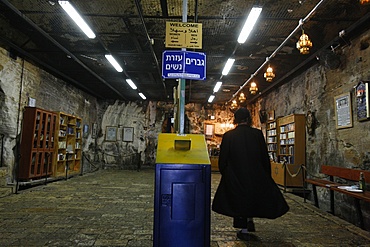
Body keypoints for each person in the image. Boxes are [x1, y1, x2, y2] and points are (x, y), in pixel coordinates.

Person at [212, 107, 289, 241]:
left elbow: (223, 160)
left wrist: (227, 175)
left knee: (239, 201)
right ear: (248, 119)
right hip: (255, 174)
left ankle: (244, 228)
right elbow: (264, 157)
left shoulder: (229, 136)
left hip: (235, 175)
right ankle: (249, 220)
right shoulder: (257, 134)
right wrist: (266, 175)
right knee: (253, 199)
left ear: (235, 120)